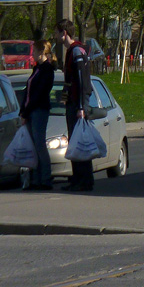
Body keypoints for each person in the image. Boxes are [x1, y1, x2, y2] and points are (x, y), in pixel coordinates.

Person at [55, 20, 94, 192]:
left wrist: (80, 107)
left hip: (78, 105)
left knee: (80, 143)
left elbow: (81, 80)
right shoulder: (71, 51)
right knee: (75, 141)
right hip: (72, 102)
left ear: (64, 33)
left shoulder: (76, 51)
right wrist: (64, 99)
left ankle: (84, 181)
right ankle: (77, 179)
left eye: (56, 32)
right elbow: (69, 82)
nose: (55, 36)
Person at [20, 40, 56, 190]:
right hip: (31, 111)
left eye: (34, 51)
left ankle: (45, 179)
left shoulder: (47, 70)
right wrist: (23, 110)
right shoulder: (37, 69)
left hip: (39, 110)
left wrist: (27, 111)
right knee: (33, 146)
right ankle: (35, 179)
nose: (32, 54)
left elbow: (39, 94)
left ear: (41, 52)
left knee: (40, 145)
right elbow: (28, 91)